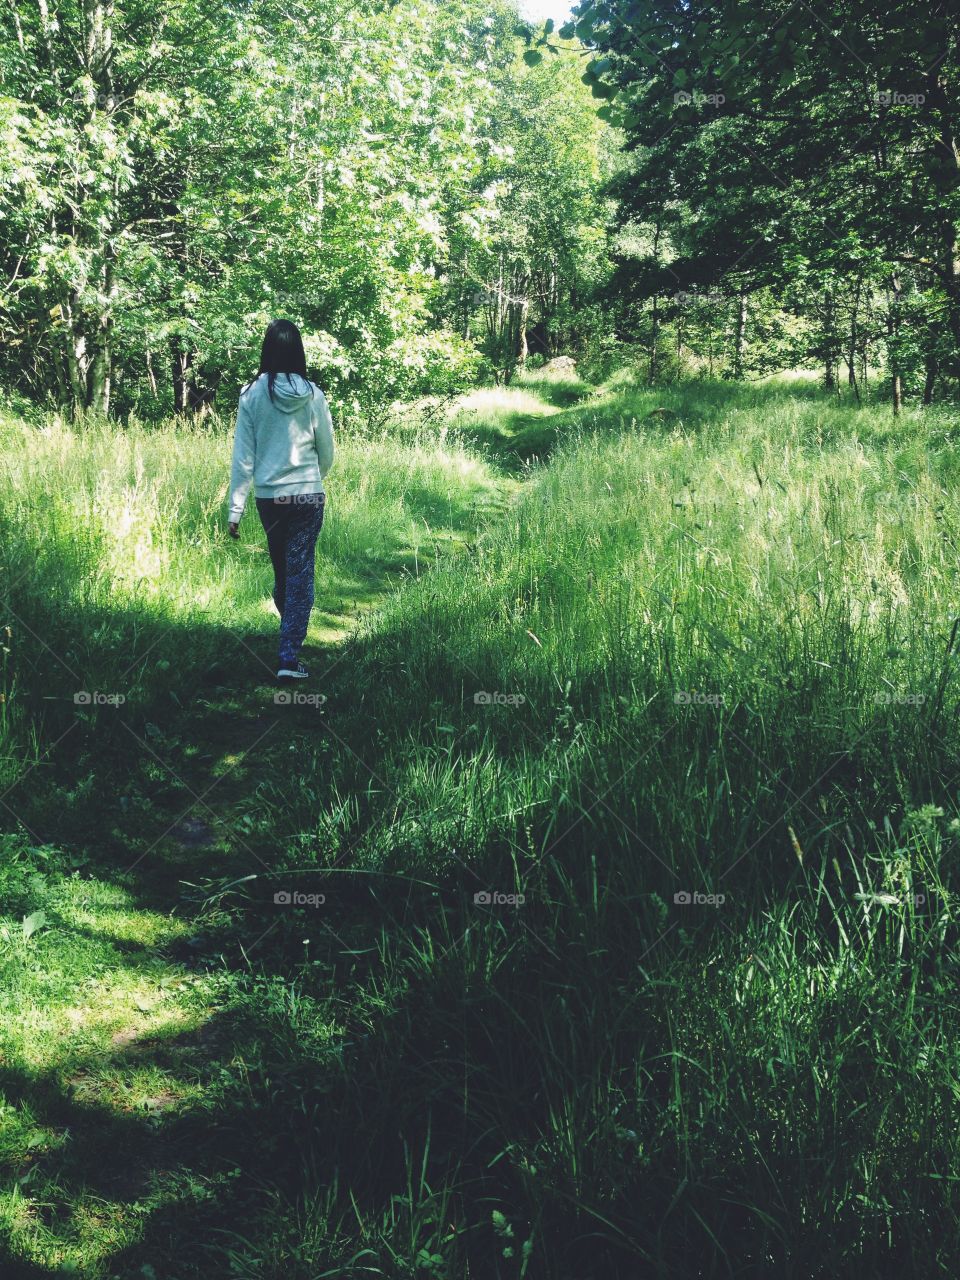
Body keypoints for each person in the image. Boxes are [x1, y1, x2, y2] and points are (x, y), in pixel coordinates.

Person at [228, 319, 335, 680]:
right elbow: (327, 451)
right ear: (298, 352)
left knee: (285, 572)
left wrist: (236, 508)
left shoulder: (251, 395)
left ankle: (287, 652)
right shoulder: (313, 394)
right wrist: (312, 478)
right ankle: (289, 655)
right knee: (299, 573)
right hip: (307, 496)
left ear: (266, 350)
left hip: (270, 499)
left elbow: (243, 456)